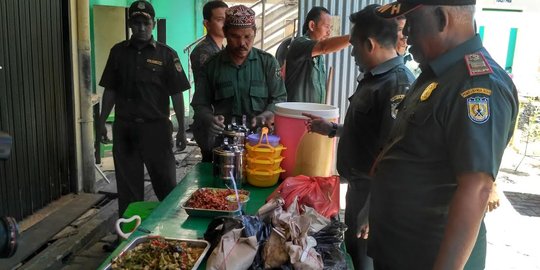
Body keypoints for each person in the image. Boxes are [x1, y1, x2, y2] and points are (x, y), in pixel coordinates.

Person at [370, 1, 519, 269]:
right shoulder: (437, 75)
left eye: (412, 25)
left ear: (441, 18)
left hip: (428, 257)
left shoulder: (476, 84)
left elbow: (477, 188)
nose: (406, 36)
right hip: (399, 249)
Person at [304, 5, 414, 270]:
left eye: (354, 46)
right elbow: (368, 130)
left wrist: (372, 209)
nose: (351, 52)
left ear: (370, 44)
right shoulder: (374, 78)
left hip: (374, 195)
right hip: (358, 188)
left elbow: (393, 153)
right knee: (353, 254)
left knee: (365, 262)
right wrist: (332, 129)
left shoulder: (397, 83)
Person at [98, 1, 191, 218]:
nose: (141, 27)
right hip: (125, 130)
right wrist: (101, 121)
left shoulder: (167, 55)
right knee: (128, 190)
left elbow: (177, 93)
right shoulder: (118, 52)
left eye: (146, 22)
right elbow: (110, 90)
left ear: (154, 24)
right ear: (130, 23)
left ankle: (170, 232)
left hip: (156, 130)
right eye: (136, 22)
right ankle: (128, 237)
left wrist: (181, 130)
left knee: (166, 186)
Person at [191, 5, 287, 162]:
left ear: (254, 33)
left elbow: (280, 99)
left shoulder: (267, 63)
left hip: (259, 146)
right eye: (235, 36)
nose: (242, 43)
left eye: (248, 37)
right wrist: (210, 119)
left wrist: (267, 115)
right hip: (223, 148)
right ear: (226, 33)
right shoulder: (212, 66)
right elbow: (200, 104)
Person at [285, 6, 350, 104]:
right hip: (297, 113)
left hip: (313, 113)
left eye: (330, 28)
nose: (329, 32)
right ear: (312, 26)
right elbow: (324, 47)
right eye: (326, 26)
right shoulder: (299, 43)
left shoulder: (318, 54)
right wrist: (354, 37)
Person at [190, 0, 228, 86]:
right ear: (207, 24)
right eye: (220, 20)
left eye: (227, 19)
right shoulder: (202, 51)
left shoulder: (222, 49)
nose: (226, 24)